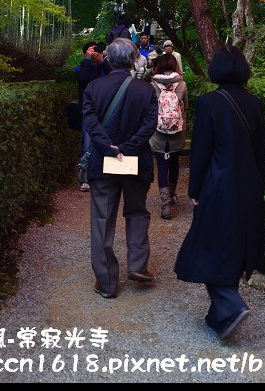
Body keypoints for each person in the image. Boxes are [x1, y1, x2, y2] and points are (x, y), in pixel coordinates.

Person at [174, 45, 265, 340]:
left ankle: (231, 303)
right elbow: (259, 153)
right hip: (249, 185)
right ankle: (220, 316)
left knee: (206, 246)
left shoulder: (209, 103)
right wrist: (259, 185)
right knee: (234, 245)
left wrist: (194, 188)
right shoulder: (255, 103)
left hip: (218, 185)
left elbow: (201, 151)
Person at [82, 38, 159, 298]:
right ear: (133, 59)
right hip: (135, 161)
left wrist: (110, 148)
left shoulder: (94, 88)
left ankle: (106, 283)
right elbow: (149, 126)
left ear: (109, 59)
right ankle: (137, 265)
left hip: (103, 163)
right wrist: (128, 147)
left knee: (102, 219)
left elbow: (91, 124)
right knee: (137, 211)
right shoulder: (145, 90)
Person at [149, 54, 188, 220]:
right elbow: (185, 106)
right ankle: (171, 196)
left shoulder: (153, 85)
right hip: (177, 131)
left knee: (162, 166)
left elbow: (150, 109)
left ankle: (165, 205)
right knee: (174, 164)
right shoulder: (182, 84)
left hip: (158, 132)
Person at [74, 42, 111, 191]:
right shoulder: (81, 67)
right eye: (91, 50)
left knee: (107, 143)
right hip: (88, 112)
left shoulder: (103, 67)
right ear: (85, 53)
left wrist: (102, 60)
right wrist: (88, 60)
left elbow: (115, 76)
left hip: (106, 111)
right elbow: (82, 78)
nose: (95, 52)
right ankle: (85, 178)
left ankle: (106, 176)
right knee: (87, 144)